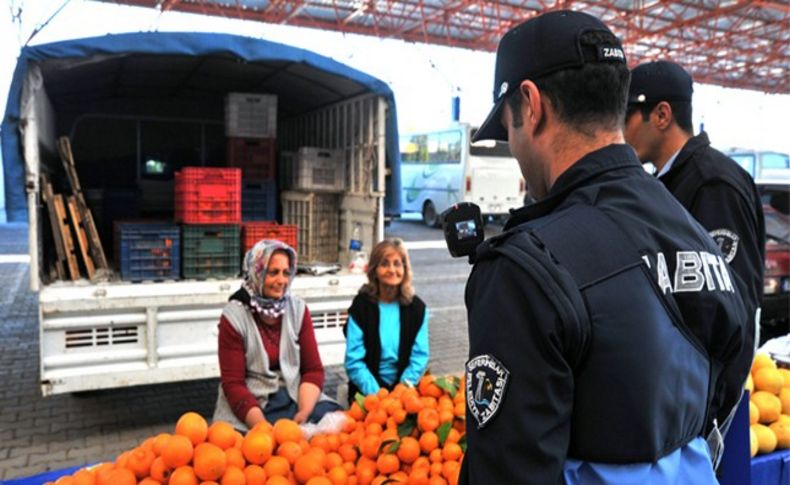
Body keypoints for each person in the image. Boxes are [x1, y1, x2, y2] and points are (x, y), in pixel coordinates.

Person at [461, 10, 751, 484]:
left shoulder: (527, 266)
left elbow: (510, 470)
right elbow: (726, 381)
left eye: (508, 128)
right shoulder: (691, 229)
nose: (514, 149)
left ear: (531, 106)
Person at [624, 58, 765, 380]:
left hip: (701, 397)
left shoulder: (712, 185)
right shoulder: (671, 182)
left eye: (626, 117)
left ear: (661, 115)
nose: (620, 131)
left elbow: (732, 308)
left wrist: (710, 409)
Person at [213, 240, 340, 431]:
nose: (282, 281)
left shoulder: (297, 309)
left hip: (294, 395)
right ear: (257, 273)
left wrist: (304, 413)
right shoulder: (234, 317)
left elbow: (313, 370)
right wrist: (263, 429)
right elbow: (233, 385)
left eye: (286, 272)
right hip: (253, 404)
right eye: (273, 272)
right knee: (247, 448)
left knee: (336, 421)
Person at [344, 238, 429, 402]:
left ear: (405, 268)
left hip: (405, 394)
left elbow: (419, 357)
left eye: (397, 264)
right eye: (385, 264)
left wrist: (401, 391)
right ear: (374, 270)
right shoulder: (361, 306)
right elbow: (354, 361)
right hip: (367, 394)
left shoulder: (417, 309)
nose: (392, 270)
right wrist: (378, 395)